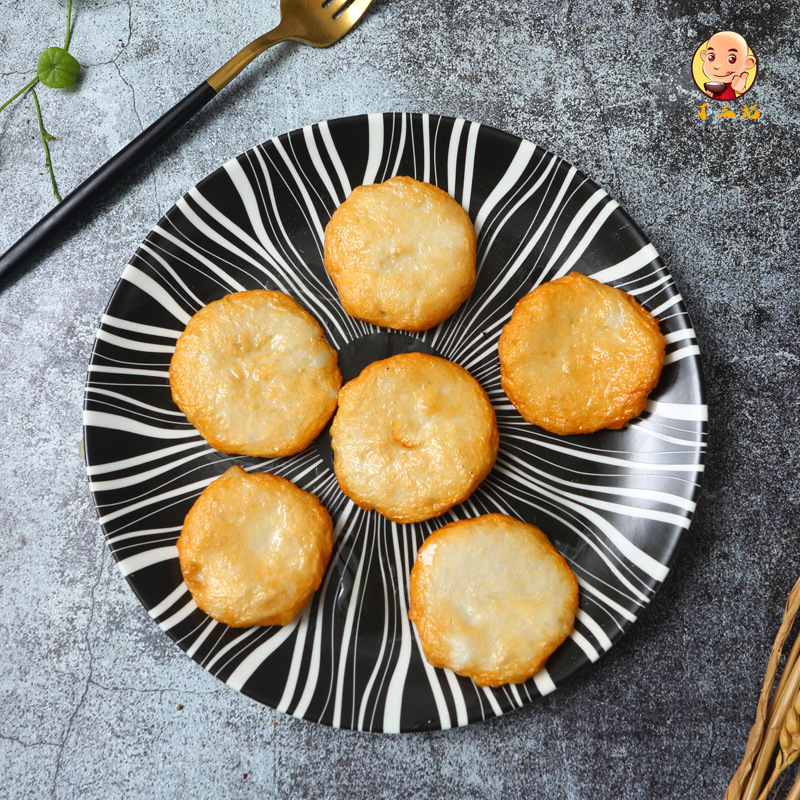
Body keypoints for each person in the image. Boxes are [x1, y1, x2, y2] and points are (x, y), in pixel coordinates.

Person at [700, 30, 756, 100]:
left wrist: (741, 88)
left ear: (748, 62)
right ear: (704, 56)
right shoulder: (713, 85)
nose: (717, 66)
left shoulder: (735, 82)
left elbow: (743, 95)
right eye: (711, 57)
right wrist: (708, 95)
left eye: (731, 59)